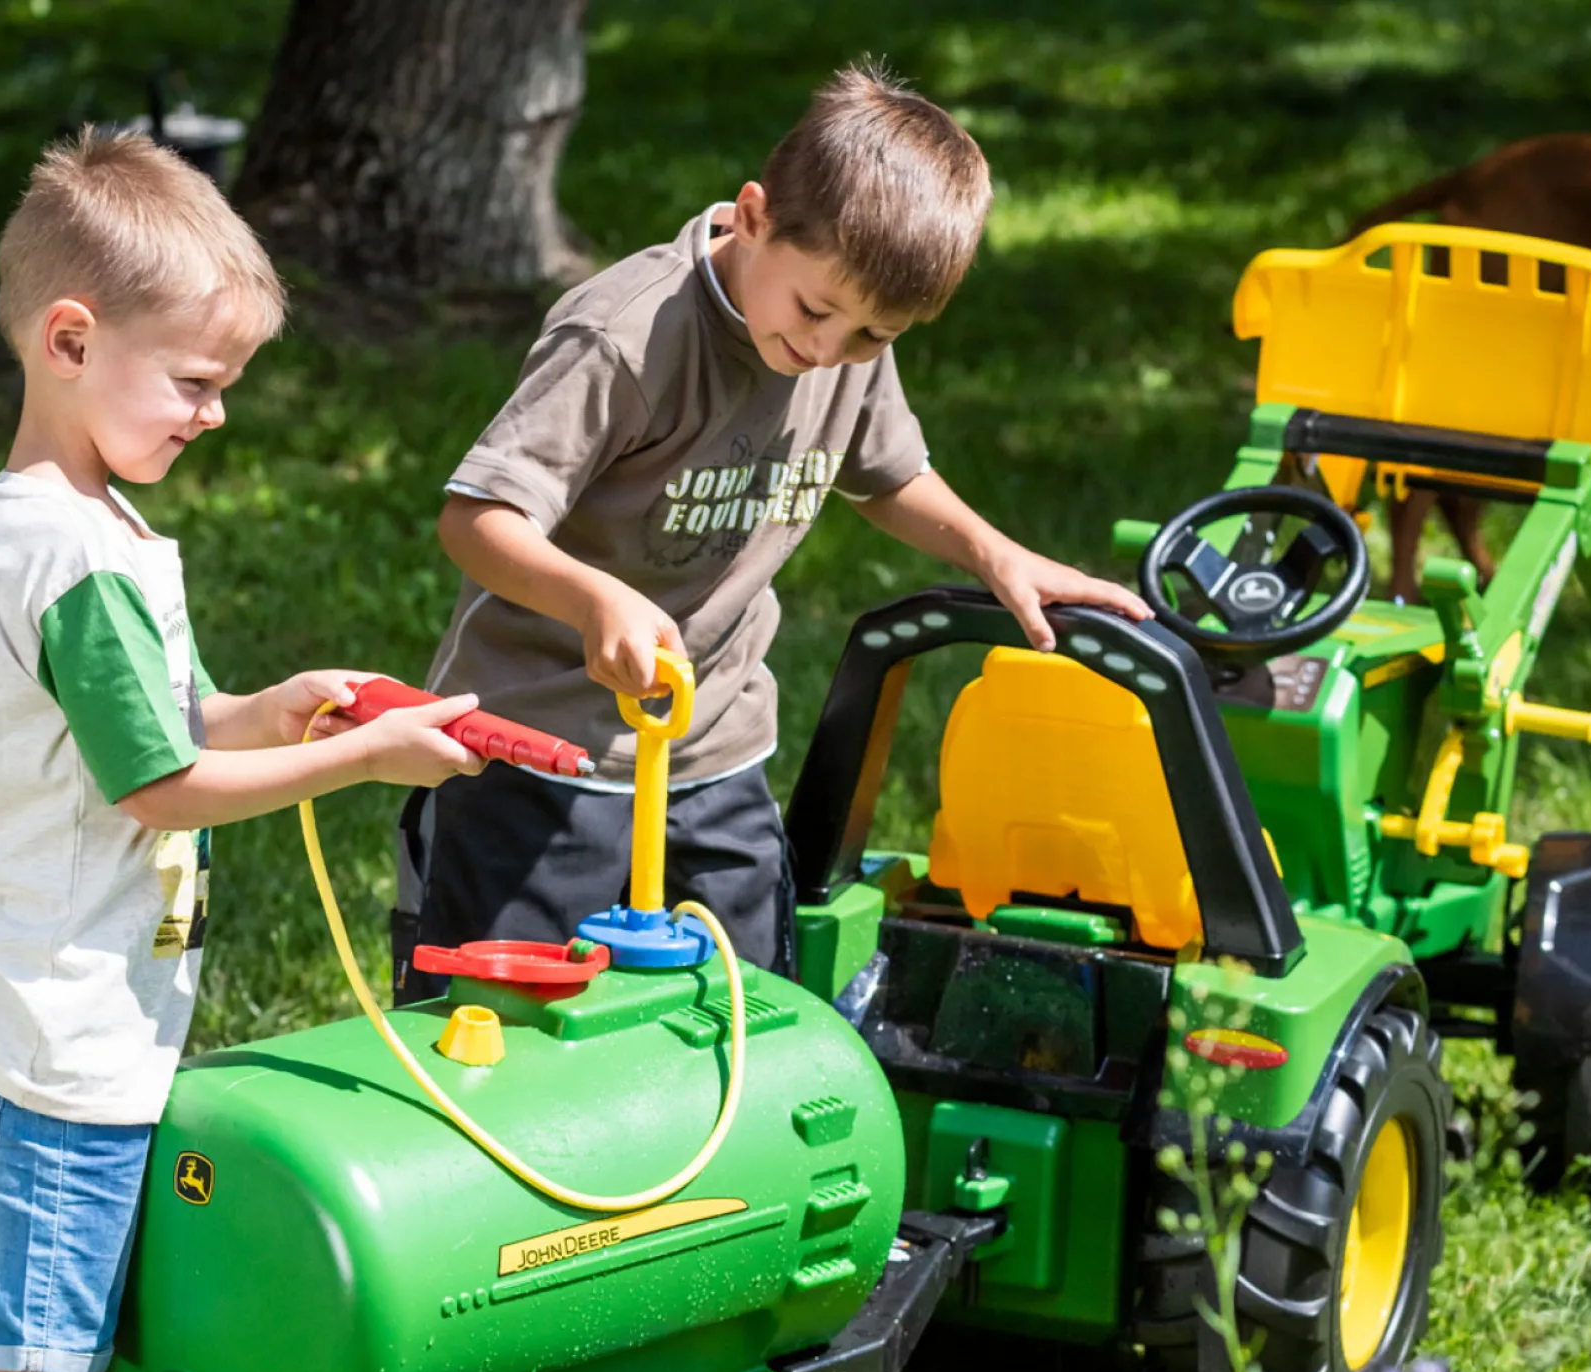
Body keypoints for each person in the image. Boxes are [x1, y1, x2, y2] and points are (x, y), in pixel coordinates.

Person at [0, 128, 484, 1372]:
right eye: (197, 379)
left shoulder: (86, 520)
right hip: (45, 1039)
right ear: (71, 339)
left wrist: (281, 703)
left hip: (81, 1020)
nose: (217, 411)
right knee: (21, 1362)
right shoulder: (70, 554)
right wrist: (360, 760)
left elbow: (168, 725)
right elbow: (164, 788)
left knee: (73, 1329)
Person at [394, 61, 1150, 997]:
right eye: (817, 312)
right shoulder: (626, 338)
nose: (828, 352)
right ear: (753, 217)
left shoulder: (842, 338)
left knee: (739, 1016)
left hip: (715, 749)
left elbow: (885, 475)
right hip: (540, 755)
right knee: (507, 1031)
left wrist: (997, 553)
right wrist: (596, 599)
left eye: (874, 336)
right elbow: (479, 519)